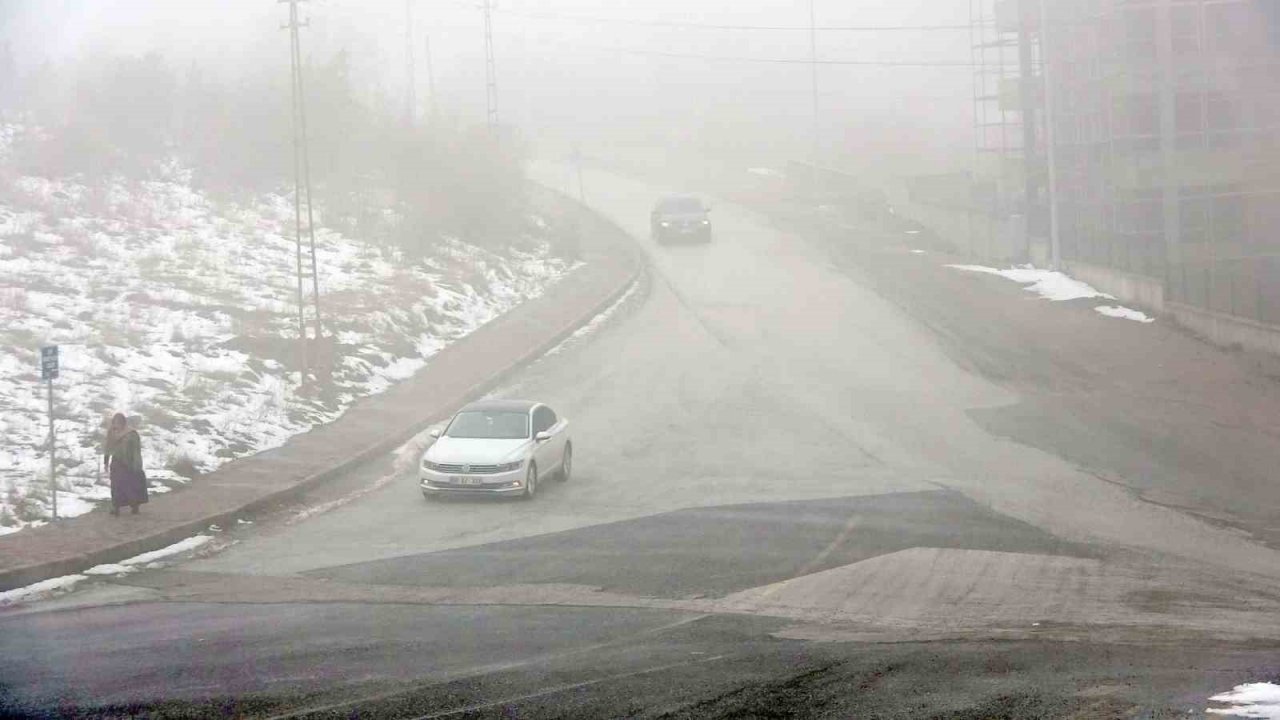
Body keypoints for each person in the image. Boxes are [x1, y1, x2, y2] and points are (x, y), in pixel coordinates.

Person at [103, 413, 148, 516]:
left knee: (130, 486)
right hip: (116, 462)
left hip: (129, 463)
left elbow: (136, 450)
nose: (116, 426)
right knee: (115, 485)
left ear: (123, 423)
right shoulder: (111, 433)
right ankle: (116, 507)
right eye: (114, 423)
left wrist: (137, 465)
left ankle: (134, 506)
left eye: (118, 423)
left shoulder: (131, 434)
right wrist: (106, 462)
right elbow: (108, 447)